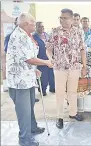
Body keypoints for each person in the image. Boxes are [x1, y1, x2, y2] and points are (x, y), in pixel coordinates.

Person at [6, 12, 53, 146]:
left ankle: (32, 128)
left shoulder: (26, 35)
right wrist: (46, 63)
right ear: (26, 24)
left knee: (30, 105)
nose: (35, 25)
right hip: (19, 82)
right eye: (33, 23)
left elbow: (24, 57)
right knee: (23, 111)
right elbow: (29, 58)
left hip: (27, 78)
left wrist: (34, 70)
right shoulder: (20, 36)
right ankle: (24, 138)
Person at [46, 8, 87, 129]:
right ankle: (59, 117)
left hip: (74, 67)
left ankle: (72, 113)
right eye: (60, 18)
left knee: (72, 92)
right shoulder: (55, 31)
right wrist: (50, 58)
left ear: (71, 19)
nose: (62, 20)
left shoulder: (78, 32)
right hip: (59, 67)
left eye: (64, 18)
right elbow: (48, 48)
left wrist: (84, 66)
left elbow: (83, 49)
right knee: (59, 93)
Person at [33, 22, 55, 96]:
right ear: (36, 27)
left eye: (43, 26)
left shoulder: (47, 35)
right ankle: (43, 90)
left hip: (50, 59)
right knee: (43, 77)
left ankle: (52, 88)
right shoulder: (33, 37)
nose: (42, 28)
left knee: (51, 76)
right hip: (41, 60)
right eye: (39, 26)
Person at [2, 17, 18, 92]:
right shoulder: (9, 36)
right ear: (15, 23)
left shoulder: (28, 36)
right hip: (14, 64)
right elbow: (6, 51)